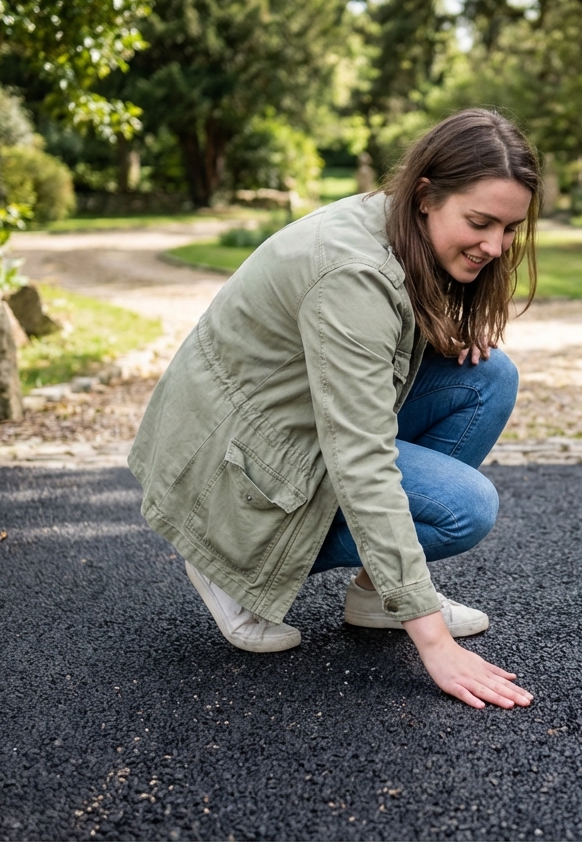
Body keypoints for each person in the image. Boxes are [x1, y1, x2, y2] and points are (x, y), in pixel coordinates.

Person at [128, 109, 538, 710]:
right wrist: (432, 636)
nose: (495, 246)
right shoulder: (352, 273)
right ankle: (228, 561)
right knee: (464, 509)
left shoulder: (392, 220)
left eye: (509, 228)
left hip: (273, 429)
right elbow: (360, 455)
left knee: (487, 378)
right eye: (480, 223)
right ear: (426, 195)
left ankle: (377, 594)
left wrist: (436, 337)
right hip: (225, 473)